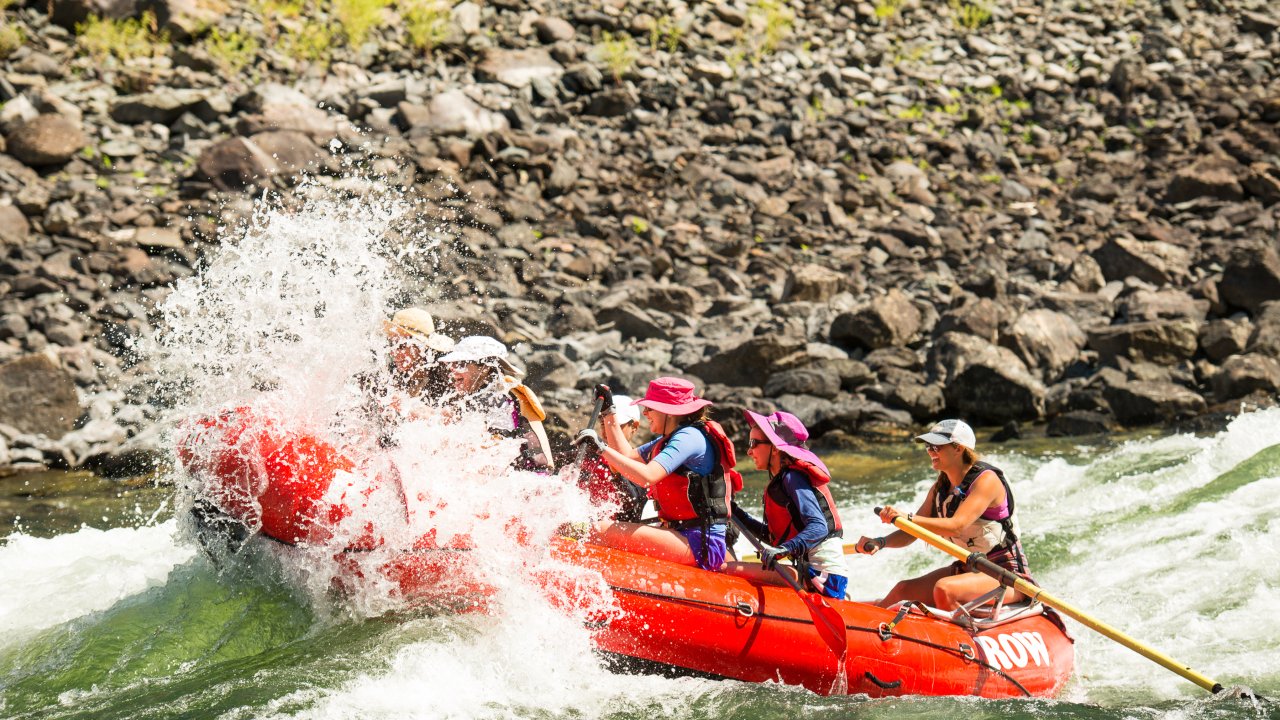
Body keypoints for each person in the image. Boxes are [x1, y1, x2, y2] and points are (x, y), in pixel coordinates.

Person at [855, 419, 1035, 611]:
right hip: (969, 569)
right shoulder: (940, 488)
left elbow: (957, 525)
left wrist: (906, 517)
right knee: (902, 590)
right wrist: (880, 542)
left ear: (958, 448)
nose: (931, 451)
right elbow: (912, 532)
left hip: (1005, 575)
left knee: (945, 589)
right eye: (928, 446)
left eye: (936, 446)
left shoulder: (987, 481)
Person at [574, 378, 737, 571]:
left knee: (595, 529)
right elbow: (626, 455)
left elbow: (646, 477)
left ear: (668, 411)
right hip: (683, 534)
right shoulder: (671, 438)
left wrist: (601, 448)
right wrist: (609, 412)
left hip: (699, 542)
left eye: (650, 408)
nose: (645, 413)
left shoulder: (689, 438)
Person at [724, 410, 849, 599]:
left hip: (824, 578)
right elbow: (773, 537)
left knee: (726, 568)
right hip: (808, 570)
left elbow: (819, 527)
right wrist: (735, 512)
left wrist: (784, 550)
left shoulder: (793, 478)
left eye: (753, 444)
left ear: (775, 448)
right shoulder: (785, 480)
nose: (749, 451)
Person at [438, 335, 555, 472]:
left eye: (461, 364)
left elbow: (497, 451)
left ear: (485, 368)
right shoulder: (480, 396)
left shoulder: (502, 400)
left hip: (525, 479)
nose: (453, 369)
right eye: (452, 364)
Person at [576, 393, 649, 522]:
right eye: (604, 424)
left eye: (616, 426)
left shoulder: (641, 463)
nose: (607, 431)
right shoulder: (588, 454)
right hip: (585, 527)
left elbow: (632, 503)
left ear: (635, 427)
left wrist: (616, 474)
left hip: (619, 533)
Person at [382, 308, 456, 400]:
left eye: (401, 346)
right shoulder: (392, 374)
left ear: (422, 347)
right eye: (392, 344)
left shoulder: (445, 378)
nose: (393, 352)